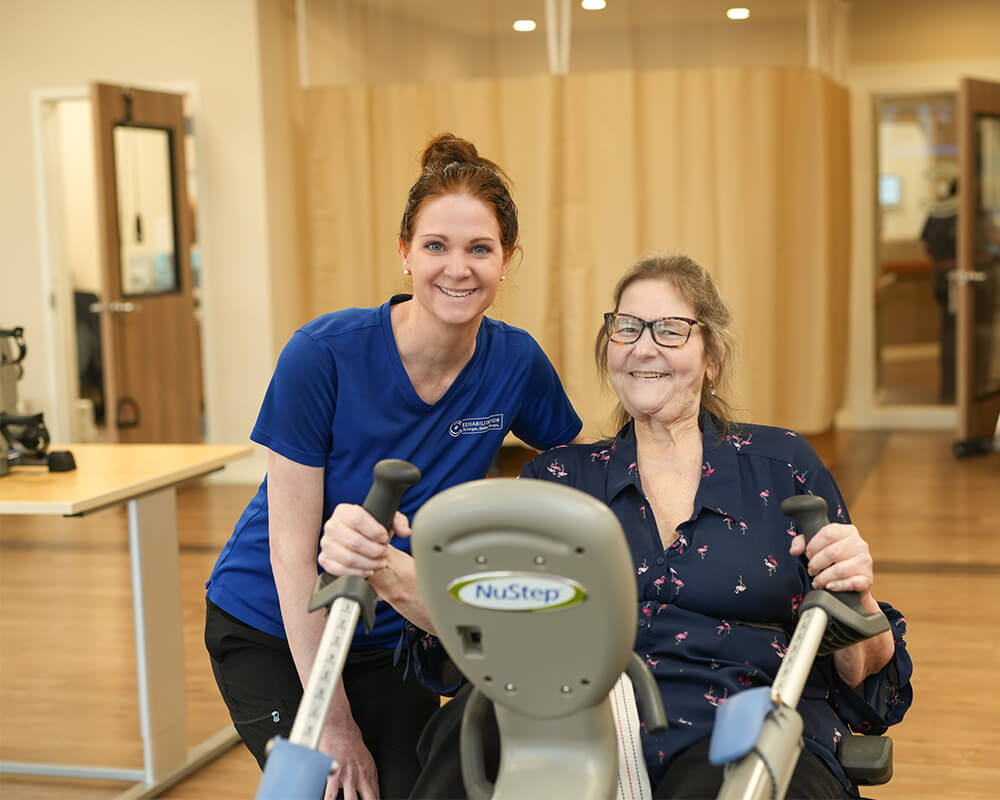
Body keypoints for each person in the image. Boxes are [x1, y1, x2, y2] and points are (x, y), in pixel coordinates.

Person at [320, 253, 913, 799]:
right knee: (468, 739)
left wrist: (856, 595)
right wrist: (382, 565)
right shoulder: (560, 479)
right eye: (627, 328)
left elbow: (861, 672)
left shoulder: (781, 467)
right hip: (567, 718)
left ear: (712, 357)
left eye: (671, 330)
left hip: (734, 721)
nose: (644, 347)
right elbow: (485, 635)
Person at [204, 133, 584, 800]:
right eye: (436, 245)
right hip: (273, 623)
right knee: (331, 787)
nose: (457, 269)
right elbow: (293, 559)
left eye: (479, 249)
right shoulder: (322, 356)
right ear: (404, 252)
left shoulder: (514, 362)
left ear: (507, 259)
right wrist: (333, 725)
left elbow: (577, 471)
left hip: (391, 633)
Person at [920, 177, 958, 403]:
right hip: (959, 281)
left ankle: (949, 389)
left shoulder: (937, 213)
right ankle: (957, 390)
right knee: (961, 336)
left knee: (949, 334)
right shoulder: (968, 214)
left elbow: (926, 245)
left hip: (941, 278)